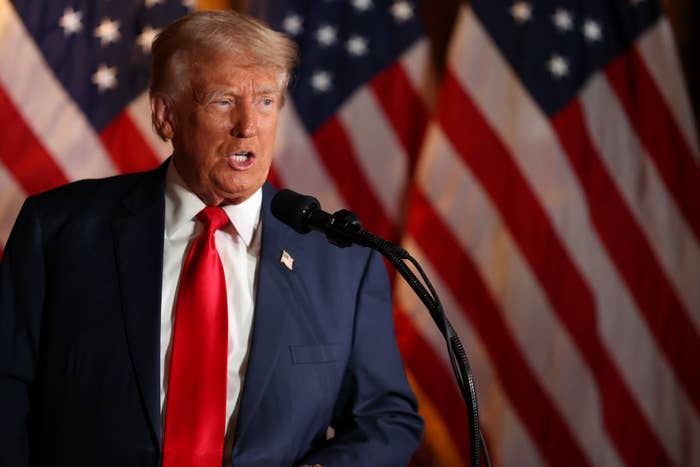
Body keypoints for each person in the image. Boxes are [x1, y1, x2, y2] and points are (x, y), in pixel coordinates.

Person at [0, 10, 423, 467]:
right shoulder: (60, 232)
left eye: (265, 101)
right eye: (223, 101)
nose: (248, 126)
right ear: (166, 116)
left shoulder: (341, 259)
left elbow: (386, 418)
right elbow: (6, 388)